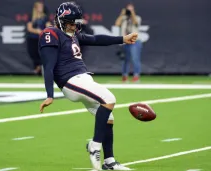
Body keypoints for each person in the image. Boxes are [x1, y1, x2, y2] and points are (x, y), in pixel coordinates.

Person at [38, 2, 137, 170]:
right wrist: (49, 94)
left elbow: (96, 39)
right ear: (61, 20)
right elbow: (48, 67)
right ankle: (94, 146)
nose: (74, 26)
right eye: (71, 23)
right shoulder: (51, 33)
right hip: (70, 80)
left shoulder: (72, 34)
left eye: (75, 23)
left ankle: (109, 161)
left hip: (83, 79)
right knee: (109, 98)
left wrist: (123, 39)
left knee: (108, 118)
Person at [115, 3, 142, 82]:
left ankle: (136, 76)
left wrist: (132, 13)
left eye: (131, 9)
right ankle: (124, 76)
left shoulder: (137, 17)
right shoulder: (123, 18)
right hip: (125, 41)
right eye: (128, 9)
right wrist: (122, 14)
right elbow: (117, 24)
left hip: (135, 41)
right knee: (125, 59)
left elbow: (136, 23)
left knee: (135, 59)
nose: (129, 11)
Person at [26, 1, 51, 75]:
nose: (40, 8)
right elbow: (29, 28)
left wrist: (43, 31)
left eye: (41, 7)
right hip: (32, 38)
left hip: (42, 38)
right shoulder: (31, 17)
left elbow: (48, 26)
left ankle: (39, 69)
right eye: (39, 7)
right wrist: (36, 31)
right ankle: (38, 66)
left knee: (42, 53)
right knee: (32, 53)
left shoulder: (45, 17)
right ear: (35, 8)